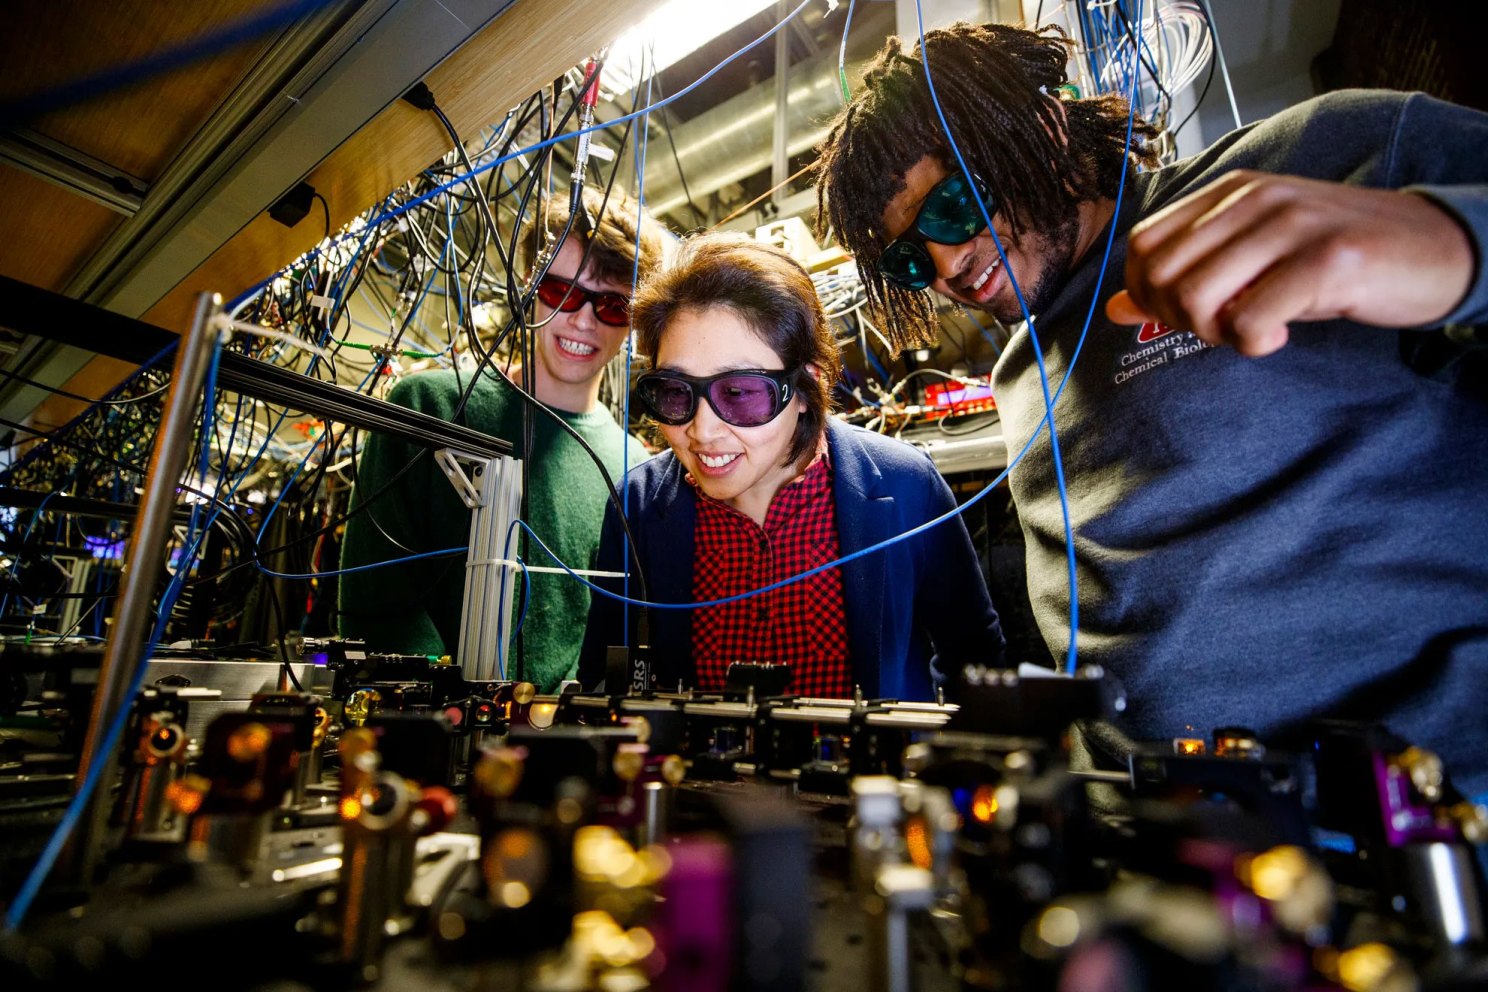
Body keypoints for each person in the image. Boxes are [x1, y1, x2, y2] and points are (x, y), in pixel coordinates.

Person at [814, 22, 1488, 802]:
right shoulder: (1018, 378)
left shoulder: (1308, 163)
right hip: (1156, 857)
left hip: (1420, 834)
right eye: (907, 257)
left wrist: (1456, 244)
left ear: (1045, 126)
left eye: (954, 205)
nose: (945, 266)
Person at [577, 234, 1004, 699]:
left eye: (739, 393)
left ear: (806, 387)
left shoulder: (908, 486)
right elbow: (606, 673)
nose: (702, 431)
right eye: (676, 392)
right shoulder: (637, 505)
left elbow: (975, 660)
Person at [339, 187, 667, 691]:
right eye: (562, 292)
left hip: (562, 745)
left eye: (613, 306)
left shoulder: (633, 467)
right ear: (527, 287)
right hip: (423, 734)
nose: (583, 320)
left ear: (635, 323)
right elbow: (375, 596)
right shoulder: (429, 406)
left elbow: (611, 636)